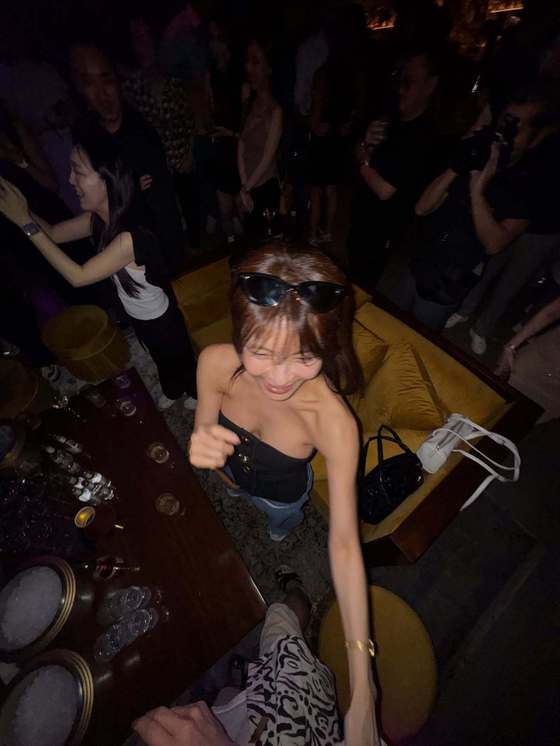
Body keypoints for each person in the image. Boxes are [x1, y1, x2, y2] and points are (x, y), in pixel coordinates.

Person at [189, 245, 380, 745]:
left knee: (279, 521)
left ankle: (280, 531)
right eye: (260, 352)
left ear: (328, 346)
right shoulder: (213, 363)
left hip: (283, 495)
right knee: (238, 495)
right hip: (234, 480)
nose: (278, 378)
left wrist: (364, 690)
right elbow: (204, 426)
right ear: (239, 333)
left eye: (304, 357)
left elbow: (345, 545)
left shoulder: (334, 423)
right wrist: (203, 441)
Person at [0, 130, 197, 410]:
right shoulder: (97, 220)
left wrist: (25, 223)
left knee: (179, 358)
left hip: (161, 317)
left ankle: (195, 392)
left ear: (107, 179)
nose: (70, 179)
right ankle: (174, 390)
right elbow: (54, 233)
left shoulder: (129, 237)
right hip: (136, 313)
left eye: (78, 171)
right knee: (156, 355)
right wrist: (23, 211)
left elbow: (78, 276)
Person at [132, 567, 368, 745]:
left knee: (224, 701)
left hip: (266, 726)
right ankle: (297, 592)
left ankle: (242, 679)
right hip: (298, 716)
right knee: (281, 620)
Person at [402, 82, 558, 331]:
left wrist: (477, 190)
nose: (506, 134)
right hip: (419, 262)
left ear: (534, 137)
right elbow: (422, 208)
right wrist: (458, 166)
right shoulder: (475, 153)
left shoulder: (528, 186)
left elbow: (494, 243)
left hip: (447, 282)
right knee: (390, 320)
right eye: (505, 122)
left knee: (416, 337)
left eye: (517, 128)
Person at [69, 41, 186, 276]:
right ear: (80, 89)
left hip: (157, 251)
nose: (101, 92)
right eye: (89, 83)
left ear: (117, 80)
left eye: (106, 79)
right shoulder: (85, 137)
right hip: (118, 257)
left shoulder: (142, 133)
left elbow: (164, 207)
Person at [347, 48, 441, 289]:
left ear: (430, 85)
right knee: (351, 270)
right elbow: (359, 150)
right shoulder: (392, 117)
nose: (401, 89)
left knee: (362, 282)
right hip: (361, 215)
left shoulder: (425, 135)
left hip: (382, 230)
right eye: (400, 80)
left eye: (409, 82)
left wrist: (362, 159)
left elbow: (385, 190)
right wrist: (364, 143)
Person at [219, 38, 283, 247]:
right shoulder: (249, 101)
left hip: (264, 187)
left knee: (265, 248)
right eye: (248, 60)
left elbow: (268, 158)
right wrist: (243, 186)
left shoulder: (275, 111)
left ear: (269, 68)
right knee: (251, 245)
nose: (249, 67)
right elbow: (241, 142)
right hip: (247, 185)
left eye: (256, 61)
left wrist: (246, 189)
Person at [495, 293, 560, 423]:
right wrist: (510, 347)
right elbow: (553, 311)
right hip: (542, 356)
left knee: (520, 421)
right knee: (494, 395)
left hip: (555, 393)